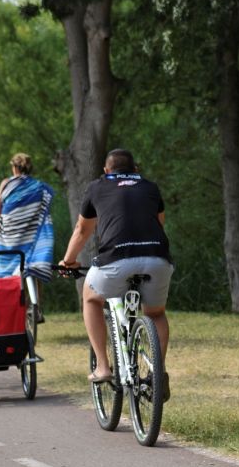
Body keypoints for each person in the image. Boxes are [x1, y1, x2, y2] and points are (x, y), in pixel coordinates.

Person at [58, 148, 172, 400]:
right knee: (156, 313)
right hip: (157, 257)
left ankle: (102, 366)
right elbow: (159, 223)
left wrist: (68, 261)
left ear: (106, 170)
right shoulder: (150, 187)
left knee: (91, 299)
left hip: (116, 259)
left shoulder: (97, 187)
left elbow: (82, 230)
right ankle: (158, 371)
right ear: (135, 169)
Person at [0, 152, 56, 317]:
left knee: (3, 268)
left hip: (9, 238)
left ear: (14, 167)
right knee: (34, 266)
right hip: (30, 236)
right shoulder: (39, 186)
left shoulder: (6, 183)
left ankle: (8, 308)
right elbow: (42, 212)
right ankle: (37, 307)